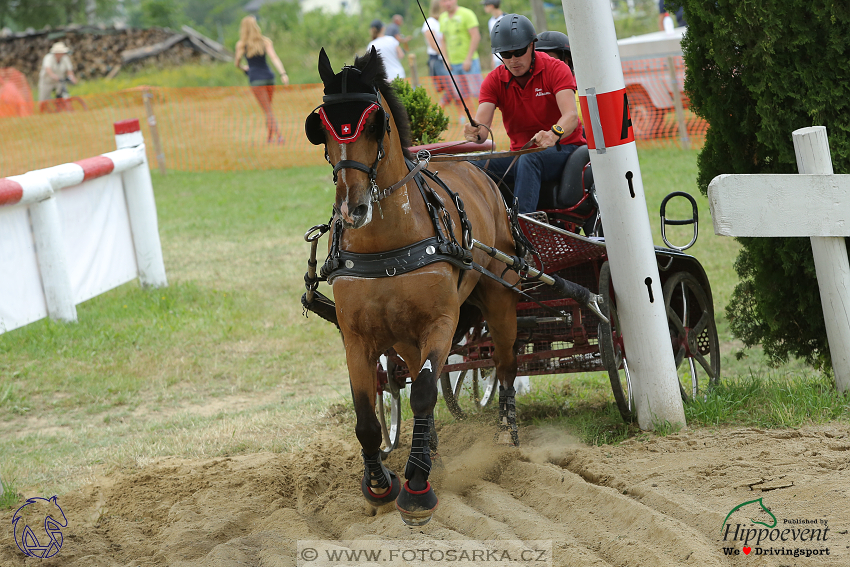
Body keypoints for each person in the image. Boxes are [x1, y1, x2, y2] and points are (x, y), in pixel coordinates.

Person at [463, 14, 586, 214]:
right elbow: (482, 131)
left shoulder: (556, 69)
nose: (513, 60)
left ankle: (523, 230)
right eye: (505, 54)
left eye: (518, 51)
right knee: (470, 165)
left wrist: (553, 134)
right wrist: (474, 131)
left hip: (565, 149)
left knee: (529, 159)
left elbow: (571, 116)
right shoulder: (493, 80)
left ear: (532, 46)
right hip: (521, 155)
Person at [235, 16, 288, 144]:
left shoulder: (241, 45)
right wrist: (283, 73)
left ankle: (279, 136)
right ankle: (269, 138)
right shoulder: (265, 41)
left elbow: (236, 63)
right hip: (269, 78)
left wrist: (244, 68)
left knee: (268, 110)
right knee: (268, 109)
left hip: (256, 80)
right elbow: (274, 57)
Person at [438, 0, 481, 113]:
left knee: (478, 93)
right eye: (443, 1)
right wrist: (445, 59)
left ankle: (485, 120)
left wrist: (468, 59)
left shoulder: (467, 14)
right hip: (453, 64)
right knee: (462, 94)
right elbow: (443, 40)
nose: (447, 3)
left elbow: (475, 36)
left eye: (449, 0)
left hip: (470, 62)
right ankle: (472, 120)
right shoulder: (442, 17)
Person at [422, 0, 449, 90]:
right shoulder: (430, 22)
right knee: (448, 87)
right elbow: (433, 44)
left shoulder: (444, 20)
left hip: (446, 57)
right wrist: (445, 54)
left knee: (452, 87)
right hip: (437, 59)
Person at [482, 0, 504, 71]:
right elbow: (493, 41)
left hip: (505, 57)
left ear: (491, 6)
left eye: (486, 5)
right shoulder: (490, 21)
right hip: (497, 59)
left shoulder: (505, 18)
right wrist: (493, 59)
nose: (484, 8)